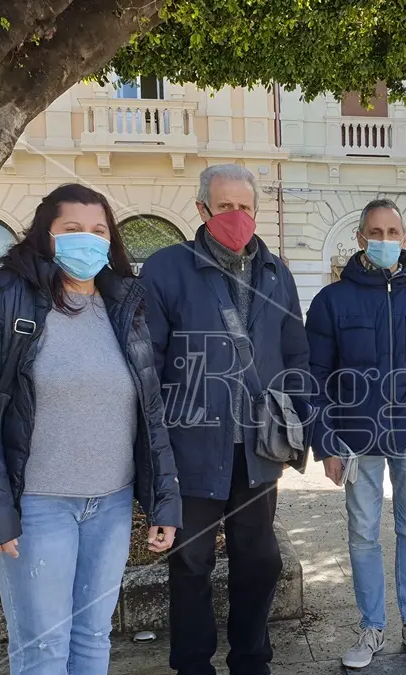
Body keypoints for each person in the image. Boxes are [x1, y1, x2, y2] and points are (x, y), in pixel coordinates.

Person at [0, 184, 182, 675]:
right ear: (44, 235)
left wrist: (164, 501)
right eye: (72, 229)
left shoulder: (124, 304)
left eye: (99, 230)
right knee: (43, 649)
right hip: (35, 507)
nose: (87, 240)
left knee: (93, 638)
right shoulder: (2, 298)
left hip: (111, 505)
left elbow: (149, 411)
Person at [140, 164, 311, 675]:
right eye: (224, 206)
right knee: (191, 561)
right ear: (202, 209)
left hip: (257, 449)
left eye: (245, 207)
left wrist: (299, 419)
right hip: (191, 447)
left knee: (259, 559)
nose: (236, 216)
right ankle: (193, 664)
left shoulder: (276, 273)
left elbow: (295, 353)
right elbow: (149, 362)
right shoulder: (167, 269)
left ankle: (251, 658)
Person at [306, 199, 406, 668]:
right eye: (375, 232)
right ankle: (371, 625)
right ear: (360, 238)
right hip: (355, 437)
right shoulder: (332, 301)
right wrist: (326, 441)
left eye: (392, 232)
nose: (384, 240)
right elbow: (314, 376)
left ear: (404, 237)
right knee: (362, 533)